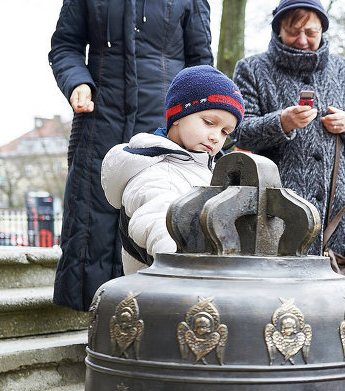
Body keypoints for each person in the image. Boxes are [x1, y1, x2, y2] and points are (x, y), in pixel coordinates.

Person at [49, 0, 213, 311]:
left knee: (161, 210)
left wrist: (201, 121)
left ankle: (163, 310)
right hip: (100, 119)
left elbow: (200, 64)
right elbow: (65, 46)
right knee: (92, 215)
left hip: (166, 127)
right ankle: (91, 315)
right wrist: (77, 81)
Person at [231, 0, 345, 257]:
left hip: (340, 213)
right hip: (277, 210)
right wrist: (281, 123)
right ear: (278, 30)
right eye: (293, 32)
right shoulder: (252, 69)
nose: (302, 40)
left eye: (310, 33)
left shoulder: (344, 69)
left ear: (322, 30)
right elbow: (238, 132)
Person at [102, 66, 244, 274]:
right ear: (177, 114)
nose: (216, 137)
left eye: (224, 132)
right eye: (208, 122)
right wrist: (183, 268)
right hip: (168, 292)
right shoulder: (158, 173)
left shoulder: (209, 170)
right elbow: (160, 224)